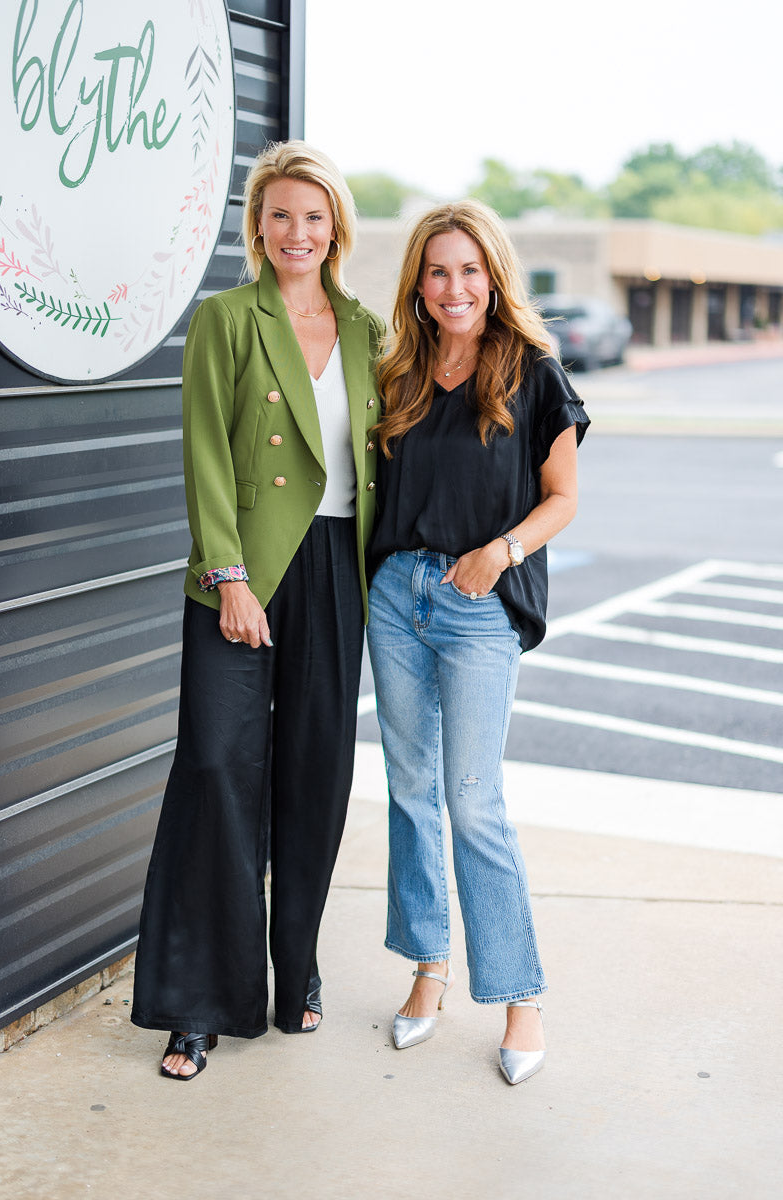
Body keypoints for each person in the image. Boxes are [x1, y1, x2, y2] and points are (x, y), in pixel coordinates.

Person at [131, 141, 384, 1080]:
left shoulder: (366, 329)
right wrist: (228, 576)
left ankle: (297, 972)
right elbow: (202, 450)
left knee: (314, 777)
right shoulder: (225, 319)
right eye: (279, 214)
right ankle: (197, 1001)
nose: (297, 232)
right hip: (242, 571)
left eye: (313, 216)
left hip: (335, 570)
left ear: (336, 228)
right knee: (214, 768)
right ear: (258, 224)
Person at [365, 200, 589, 1086]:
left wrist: (502, 553)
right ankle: (429, 971)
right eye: (436, 271)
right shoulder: (400, 371)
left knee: (472, 800)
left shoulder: (534, 372)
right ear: (418, 285)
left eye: (468, 270)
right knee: (409, 792)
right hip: (396, 596)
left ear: (492, 275)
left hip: (477, 603)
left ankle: (520, 996)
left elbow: (563, 497)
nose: (453, 287)